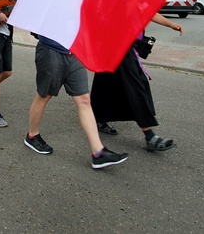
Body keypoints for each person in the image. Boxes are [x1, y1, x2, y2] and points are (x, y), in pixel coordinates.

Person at [24, 34, 129, 169]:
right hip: (51, 51)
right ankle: (32, 135)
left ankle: (98, 153)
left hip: (75, 53)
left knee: (84, 99)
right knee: (44, 96)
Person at [91, 13, 183, 151]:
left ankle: (98, 118)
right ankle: (150, 136)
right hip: (117, 46)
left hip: (126, 46)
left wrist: (170, 24)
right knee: (135, 87)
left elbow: (149, 11)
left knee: (107, 82)